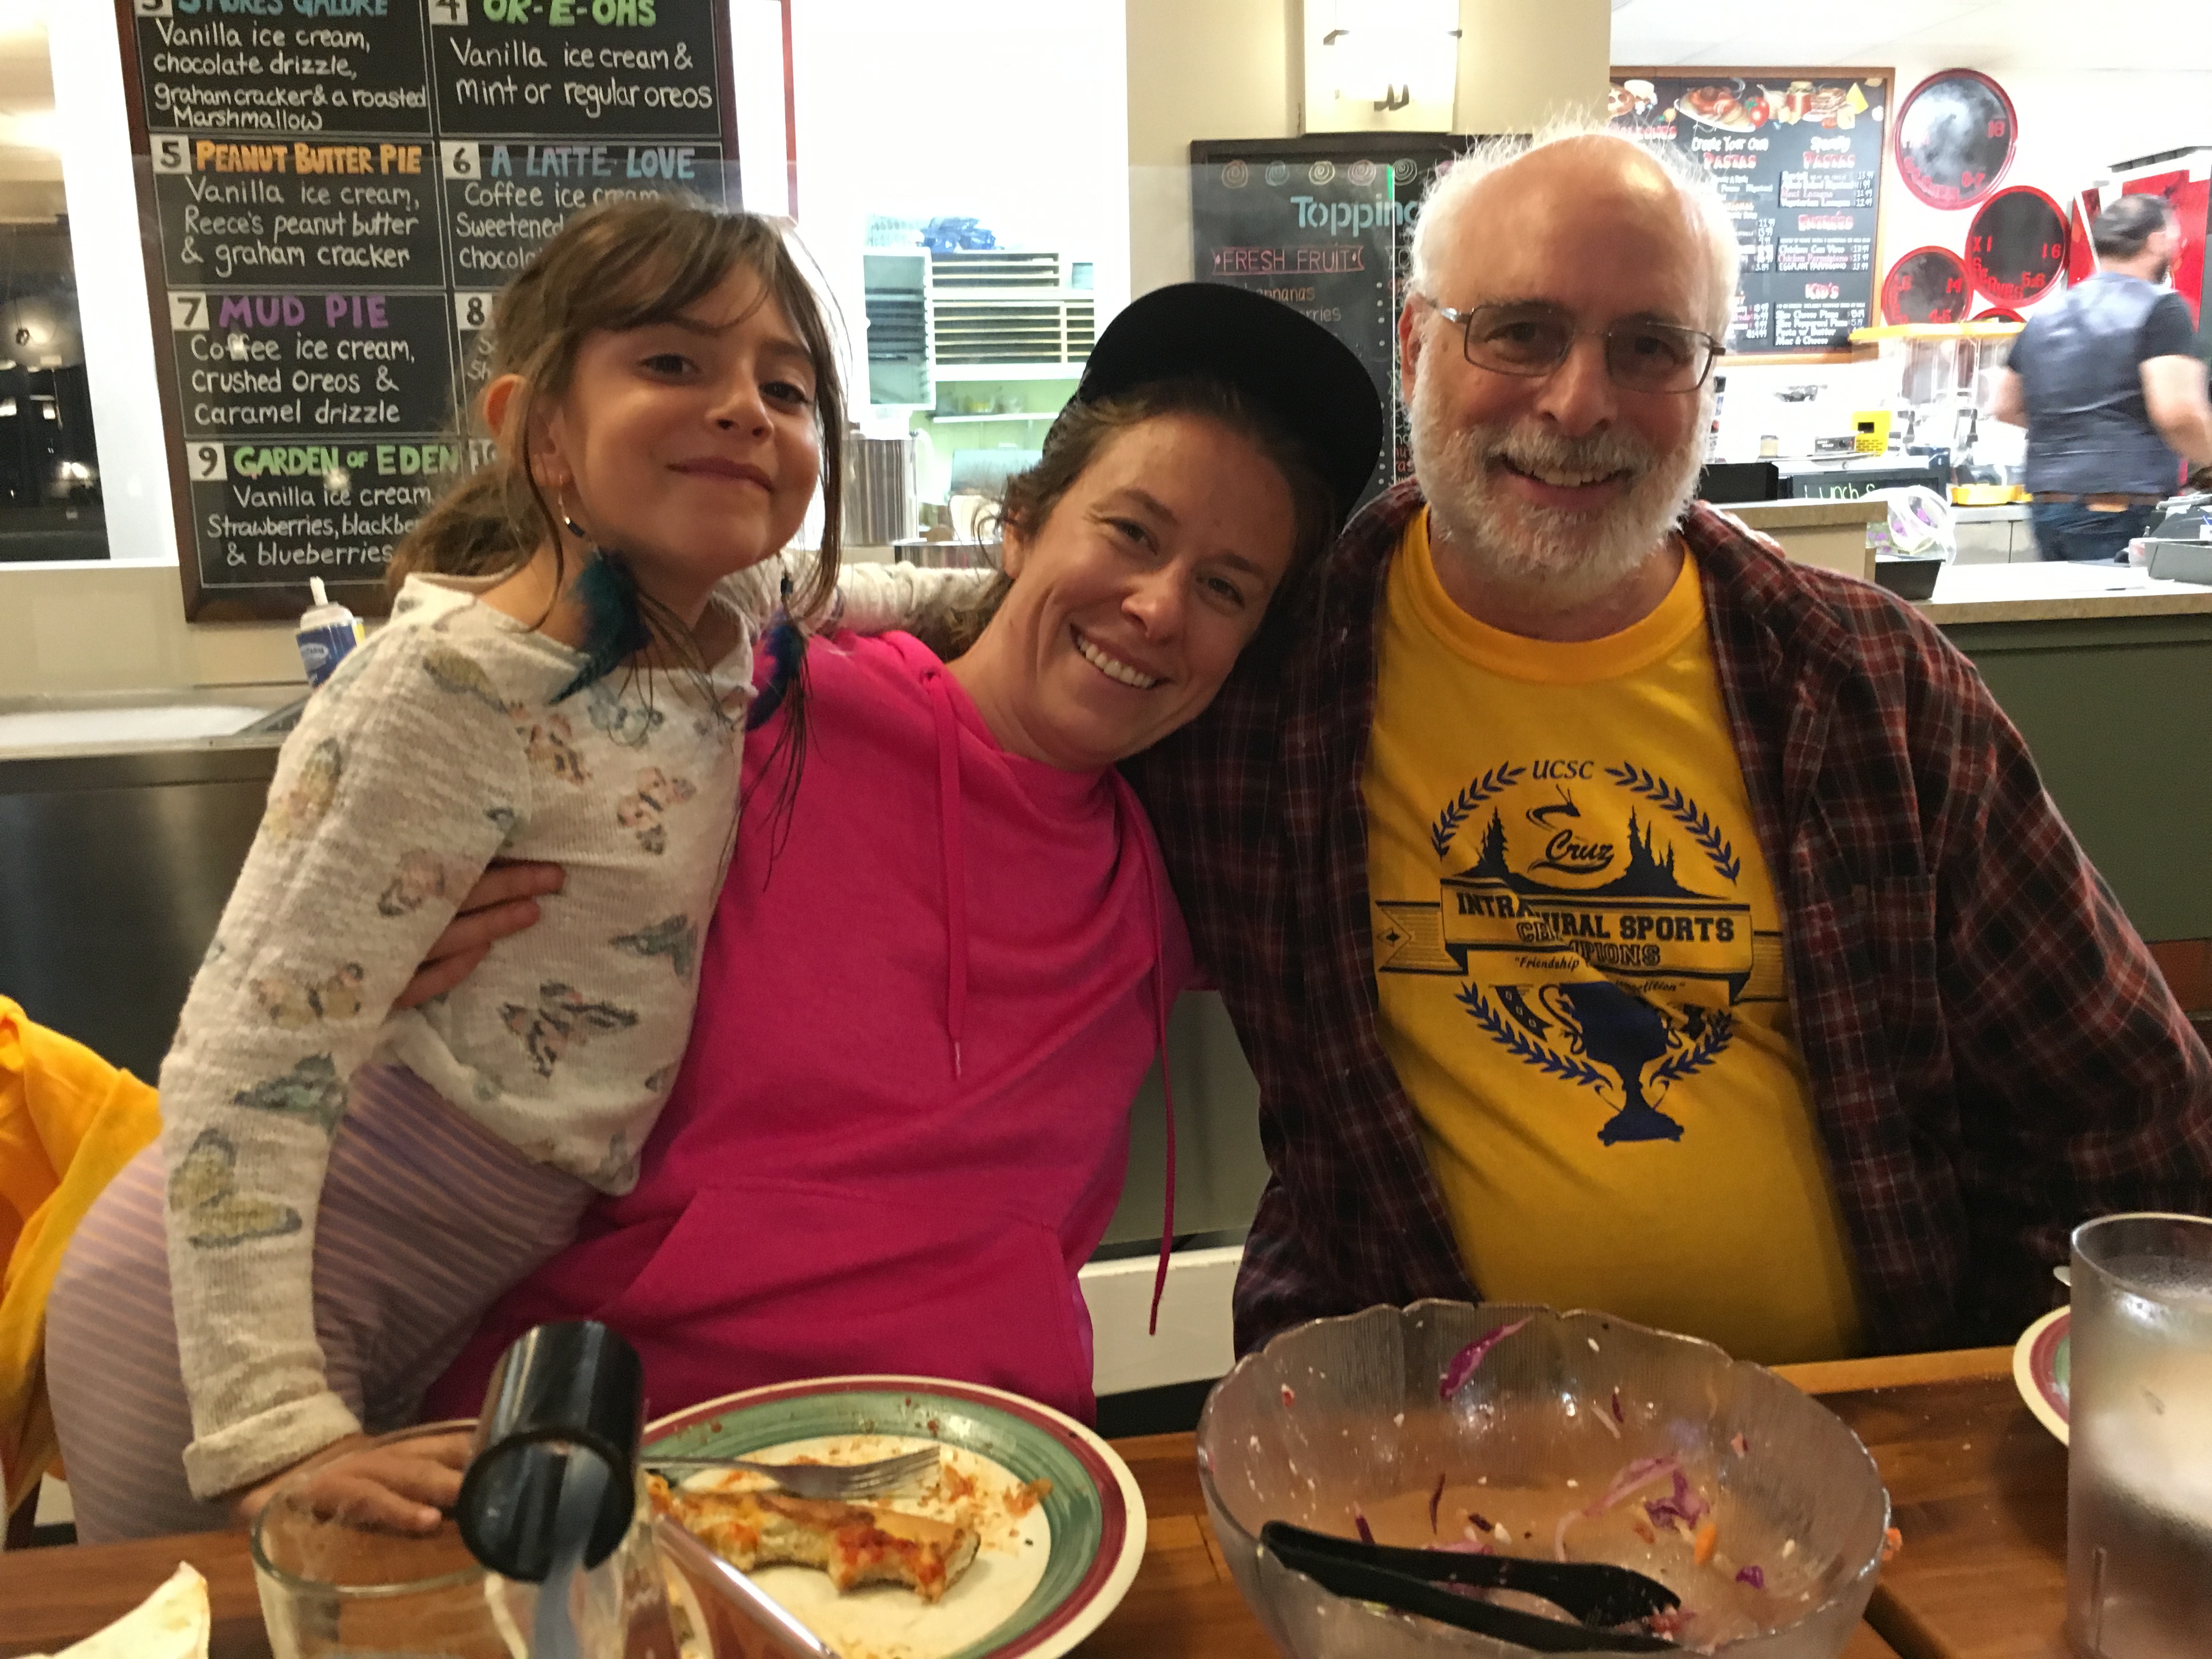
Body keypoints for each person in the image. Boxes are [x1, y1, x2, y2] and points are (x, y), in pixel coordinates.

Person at [1127, 125, 2212, 1368]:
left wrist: (1971, 1404)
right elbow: (1030, 677)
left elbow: (2130, 1122)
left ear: (1708, 384)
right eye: (1520, 331)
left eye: (1648, 347)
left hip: (1845, 1411)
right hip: (1407, 1409)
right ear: (1419, 347)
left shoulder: (1874, 685)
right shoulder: (1260, 673)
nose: (1578, 402)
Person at [43, 198, 963, 1542]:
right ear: (541, 432)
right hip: (228, 1316)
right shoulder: (447, 686)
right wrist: (271, 1426)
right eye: (673, 362)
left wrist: (1015, 586)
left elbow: (868, 594)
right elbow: (245, 1058)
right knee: (219, 1629)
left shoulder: (721, 618)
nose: (742, 408)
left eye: (787, 387)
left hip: (443, 1279)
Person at [421, 283, 1380, 1432]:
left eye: (1225, 587)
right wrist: (421, 889)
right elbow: (466, 686)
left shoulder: (1182, 855)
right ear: (1020, 525)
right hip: (619, 1442)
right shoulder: (753, 714)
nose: (1159, 606)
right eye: (1131, 532)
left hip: (990, 1483)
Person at [1993, 192, 2212, 562]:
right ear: (2156, 241)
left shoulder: (2047, 313)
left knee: (2065, 601)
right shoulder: (2161, 308)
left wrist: (2078, 428)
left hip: (2047, 507)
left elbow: (2005, 405)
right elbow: (2178, 414)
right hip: (2119, 511)